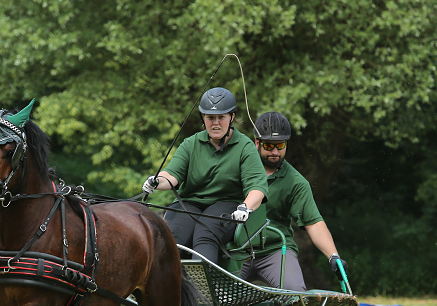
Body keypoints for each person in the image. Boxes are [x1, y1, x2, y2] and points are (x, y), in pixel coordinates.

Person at [142, 87, 268, 264]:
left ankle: (201, 290)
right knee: (172, 238)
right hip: (190, 204)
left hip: (227, 205)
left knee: (205, 236)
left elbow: (257, 188)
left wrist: (245, 207)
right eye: (210, 118)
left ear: (231, 117)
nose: (215, 123)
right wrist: (155, 181)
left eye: (221, 117)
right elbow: (171, 175)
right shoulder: (191, 143)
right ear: (203, 118)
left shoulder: (245, 147)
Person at [240, 111, 348, 291]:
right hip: (237, 251)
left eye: (280, 145)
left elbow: (313, 223)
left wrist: (333, 256)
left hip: (275, 250)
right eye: (268, 145)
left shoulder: (296, 182)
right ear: (257, 142)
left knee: (296, 295)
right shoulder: (239, 168)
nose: (275, 152)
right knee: (216, 298)